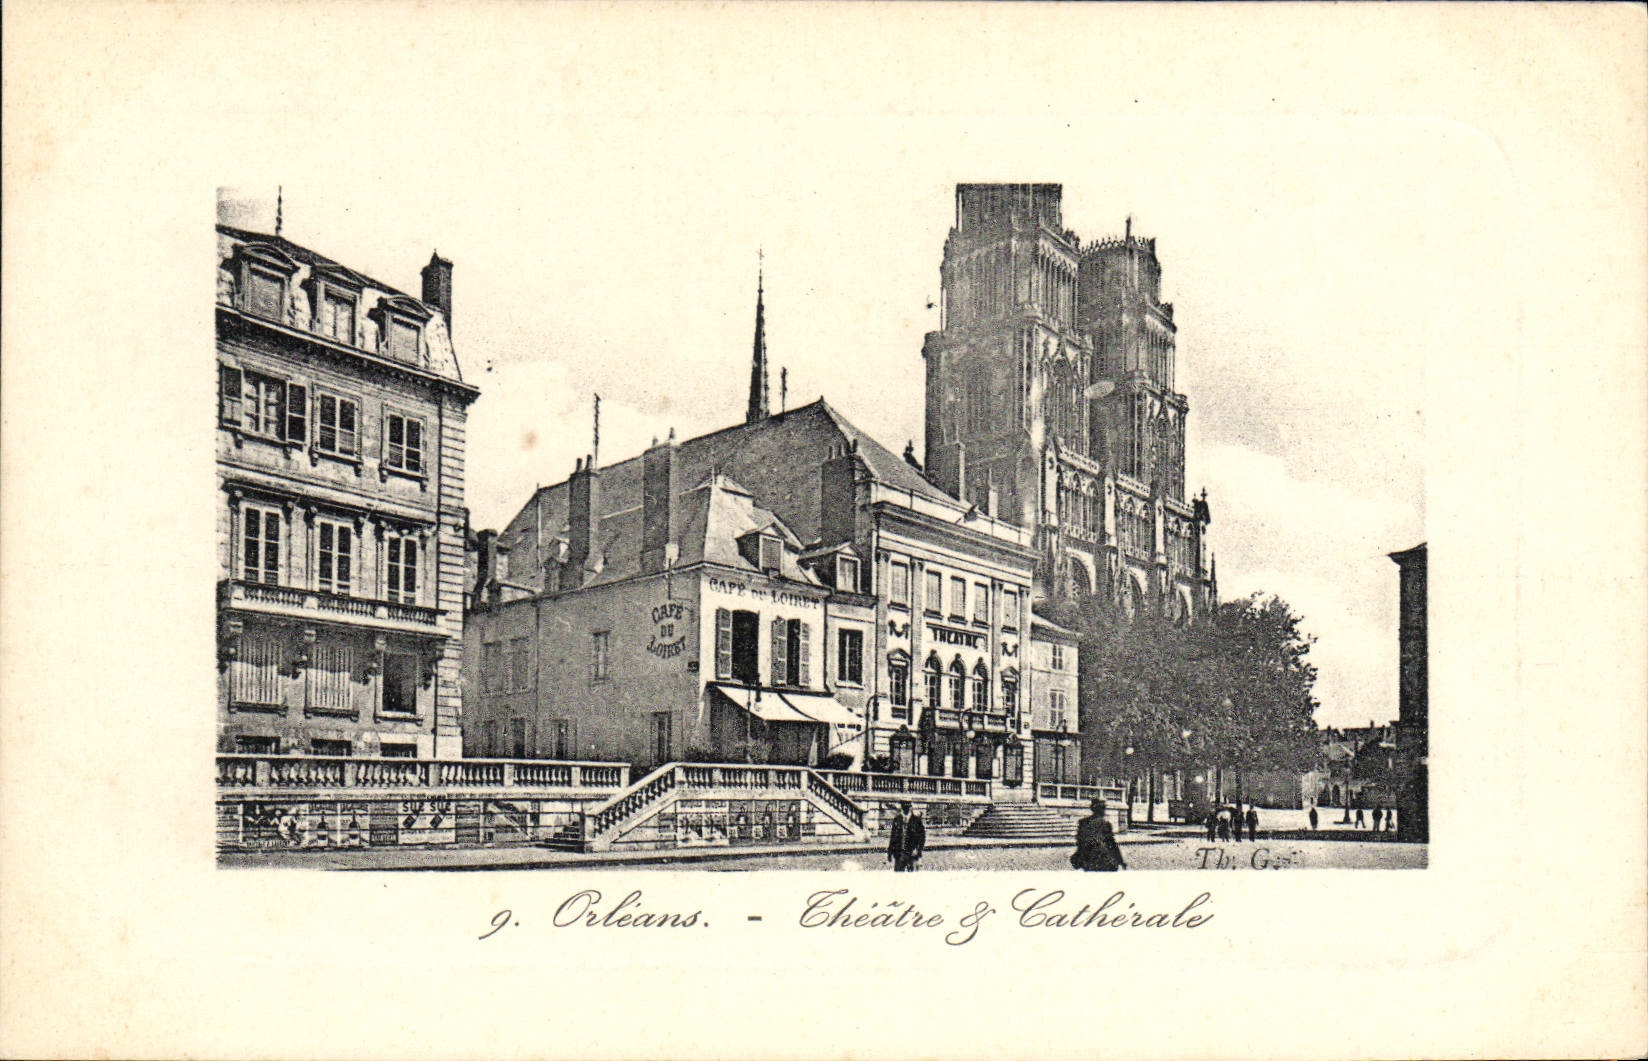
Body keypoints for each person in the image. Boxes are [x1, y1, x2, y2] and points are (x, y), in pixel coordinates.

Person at [1071, 798, 1127, 872]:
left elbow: (1079, 842)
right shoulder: (1105, 824)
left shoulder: (1083, 822)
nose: (1104, 811)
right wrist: (1120, 861)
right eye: (1103, 808)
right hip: (1102, 860)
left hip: (1087, 859)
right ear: (1101, 810)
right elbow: (1112, 844)